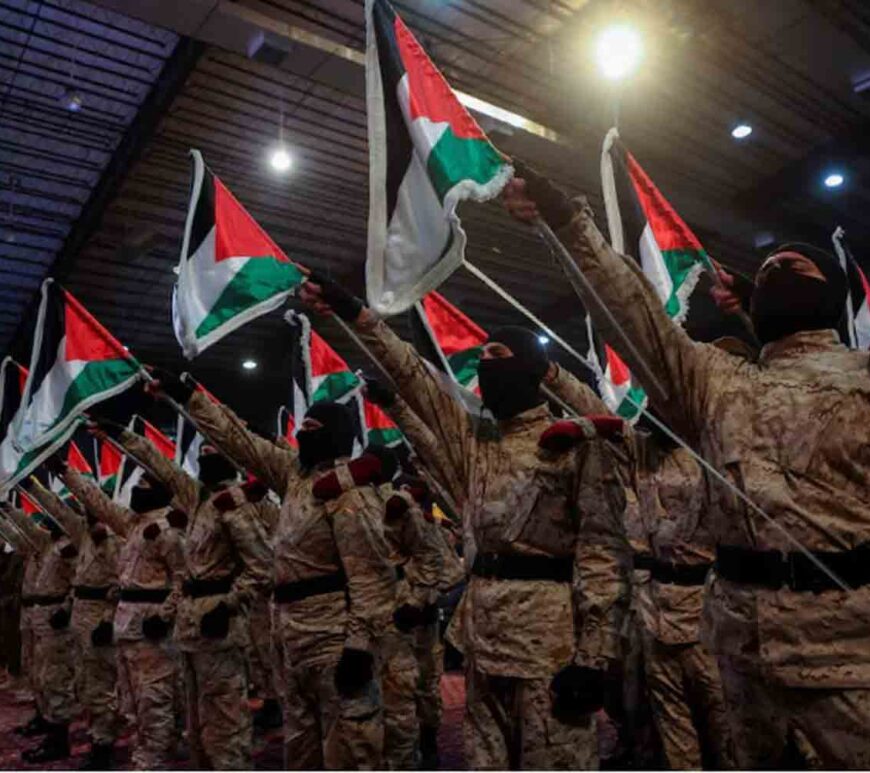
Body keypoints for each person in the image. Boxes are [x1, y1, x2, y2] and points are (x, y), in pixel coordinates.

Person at [504, 165, 870, 767]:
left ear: (831, 297)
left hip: (846, 658)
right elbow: (637, 315)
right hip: (742, 656)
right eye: (769, 268)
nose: (778, 270)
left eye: (795, 268)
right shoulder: (719, 384)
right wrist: (568, 222)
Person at [301, 278, 630, 769]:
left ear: (526, 368)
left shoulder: (574, 445)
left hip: (549, 645)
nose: (483, 365)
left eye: (496, 355)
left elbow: (602, 553)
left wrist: (594, 656)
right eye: (481, 357)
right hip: (483, 640)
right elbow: (413, 376)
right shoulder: (475, 441)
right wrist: (357, 315)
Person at [149, 374, 396, 770]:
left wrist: (359, 645)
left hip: (333, 637)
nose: (301, 435)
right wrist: (187, 396)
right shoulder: (294, 477)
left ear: (334, 435)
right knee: (301, 747)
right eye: (301, 428)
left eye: (312, 429)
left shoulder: (350, 494)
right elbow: (238, 442)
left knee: (350, 746)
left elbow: (372, 577)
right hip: (291, 637)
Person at [544, 362, 733, 768]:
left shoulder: (714, 449)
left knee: (725, 730)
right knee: (671, 730)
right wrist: (550, 374)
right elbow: (600, 414)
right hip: (654, 613)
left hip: (709, 615)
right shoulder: (642, 449)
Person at [97, 416, 273, 770]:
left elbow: (263, 566)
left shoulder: (234, 505)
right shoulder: (198, 500)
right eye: (202, 451)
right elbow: (160, 464)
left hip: (219, 626)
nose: (204, 457)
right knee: (197, 721)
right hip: (192, 626)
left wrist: (229, 604)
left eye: (212, 452)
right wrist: (120, 434)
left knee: (224, 717)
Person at [62, 458, 185, 770]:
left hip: (151, 627)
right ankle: (145, 754)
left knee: (153, 699)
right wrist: (65, 473)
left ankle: (154, 761)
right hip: (127, 626)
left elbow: (186, 579)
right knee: (132, 701)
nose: (135, 491)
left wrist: (165, 615)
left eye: (143, 486)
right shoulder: (133, 525)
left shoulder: (168, 531)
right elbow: (97, 502)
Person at [29, 468, 124, 769]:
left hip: (99, 620)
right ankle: (75, 739)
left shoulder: (115, 539)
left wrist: (108, 621)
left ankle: (103, 747)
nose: (85, 509)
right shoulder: (83, 534)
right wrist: (32, 484)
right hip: (80, 617)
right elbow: (56, 510)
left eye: (91, 503)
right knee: (83, 684)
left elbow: (123, 586)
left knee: (100, 689)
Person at [13, 482, 78, 764]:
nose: (47, 519)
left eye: (54, 514)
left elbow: (82, 583)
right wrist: (7, 508)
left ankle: (58, 738)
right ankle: (47, 724)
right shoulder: (47, 544)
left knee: (56, 681)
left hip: (56, 622)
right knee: (40, 675)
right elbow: (24, 531)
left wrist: (65, 608)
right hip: (40, 618)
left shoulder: (70, 547)